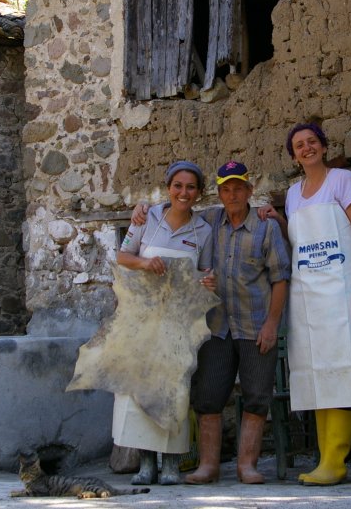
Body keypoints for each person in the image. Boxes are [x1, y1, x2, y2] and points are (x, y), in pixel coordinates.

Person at [132, 161, 292, 484]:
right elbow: (178, 205)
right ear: (218, 194)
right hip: (216, 326)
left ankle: (247, 466)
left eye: (239, 188)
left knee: (257, 394)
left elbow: (281, 278)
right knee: (208, 395)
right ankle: (208, 466)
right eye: (226, 189)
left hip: (255, 325)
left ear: (249, 191)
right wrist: (142, 208)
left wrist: (272, 324)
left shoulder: (266, 227)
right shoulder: (207, 222)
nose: (233, 195)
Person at [267, 122, 351, 486]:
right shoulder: (293, 193)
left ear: (323, 146)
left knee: (343, 371)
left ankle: (335, 461)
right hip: (309, 301)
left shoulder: (343, 181)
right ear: (293, 156)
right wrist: (278, 220)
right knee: (317, 373)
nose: (306, 148)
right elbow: (299, 241)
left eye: (312, 142)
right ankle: (324, 459)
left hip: (342, 293)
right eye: (299, 145)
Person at [114, 160, 214, 486]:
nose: (184, 192)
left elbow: (205, 273)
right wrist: (145, 263)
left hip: (178, 321)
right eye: (178, 186)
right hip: (142, 317)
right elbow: (123, 256)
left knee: (174, 388)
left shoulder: (203, 231)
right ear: (168, 187)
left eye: (191, 187)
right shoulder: (147, 217)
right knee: (142, 387)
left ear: (199, 193)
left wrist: (207, 282)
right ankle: (146, 463)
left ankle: (171, 462)